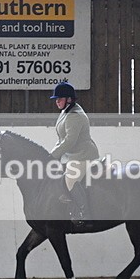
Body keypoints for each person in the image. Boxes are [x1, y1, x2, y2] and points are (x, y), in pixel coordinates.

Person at [48, 80, 99, 225]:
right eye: (56, 99)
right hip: (72, 156)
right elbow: (61, 139)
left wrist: (54, 155)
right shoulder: (66, 112)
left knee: (70, 180)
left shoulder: (75, 116)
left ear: (69, 99)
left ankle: (85, 213)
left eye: (60, 99)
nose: (57, 101)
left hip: (83, 155)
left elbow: (70, 141)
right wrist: (51, 155)